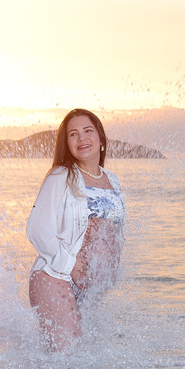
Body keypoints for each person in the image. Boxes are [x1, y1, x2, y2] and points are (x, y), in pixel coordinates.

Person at [26, 108, 125, 350]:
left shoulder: (113, 180)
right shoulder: (61, 175)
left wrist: (111, 272)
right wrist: (70, 265)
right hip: (56, 276)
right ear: (66, 143)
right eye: (73, 134)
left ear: (100, 138)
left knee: (80, 364)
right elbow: (37, 229)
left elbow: (117, 231)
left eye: (88, 131)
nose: (81, 138)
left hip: (91, 286)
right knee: (65, 363)